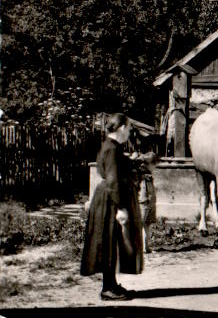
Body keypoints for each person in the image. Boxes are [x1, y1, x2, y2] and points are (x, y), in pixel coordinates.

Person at [80, 113, 144, 301]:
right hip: (110, 200)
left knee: (111, 243)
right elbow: (113, 180)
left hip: (107, 198)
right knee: (108, 243)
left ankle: (112, 285)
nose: (130, 132)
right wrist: (120, 208)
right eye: (130, 129)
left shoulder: (111, 146)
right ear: (122, 128)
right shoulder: (112, 149)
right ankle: (107, 289)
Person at [130, 132, 160, 253]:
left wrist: (136, 157)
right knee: (142, 221)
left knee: (146, 222)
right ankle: (140, 246)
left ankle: (145, 246)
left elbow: (151, 158)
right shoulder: (140, 159)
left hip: (147, 189)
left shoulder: (149, 156)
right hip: (144, 188)